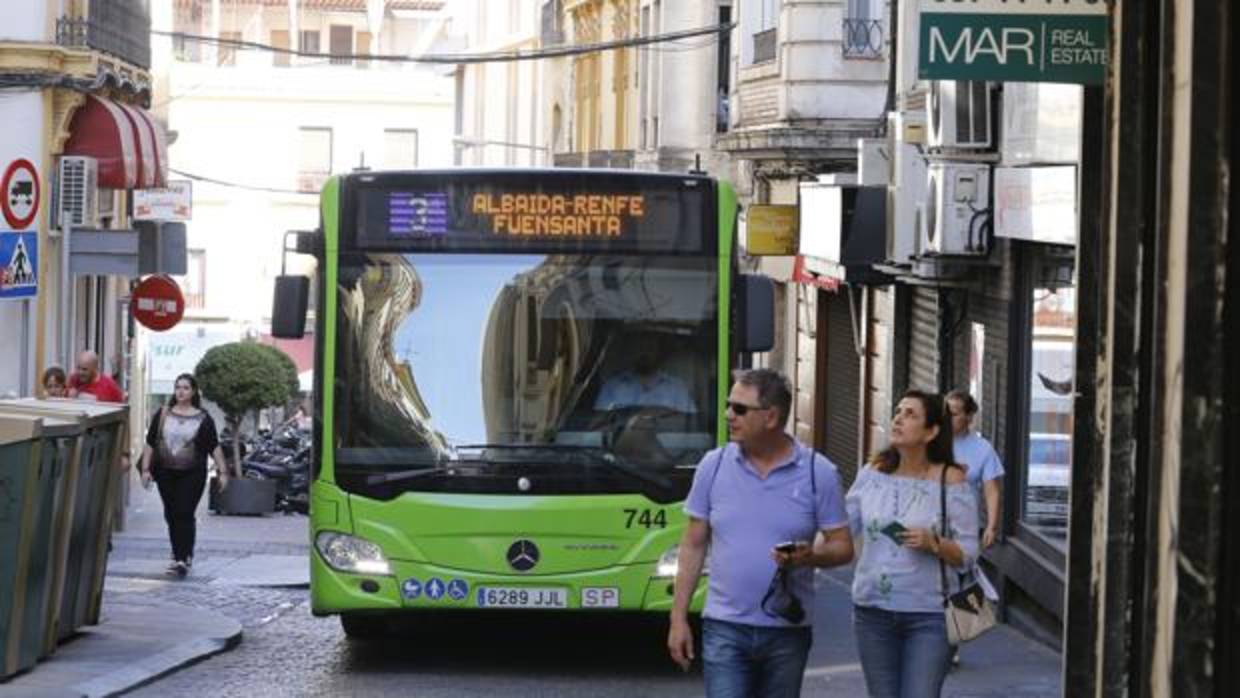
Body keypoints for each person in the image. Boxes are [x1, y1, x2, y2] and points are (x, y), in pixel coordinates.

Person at [667, 369, 853, 697]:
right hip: (725, 627)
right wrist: (678, 619)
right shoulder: (713, 465)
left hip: (787, 631)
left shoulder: (818, 473)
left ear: (771, 417)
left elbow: (843, 547)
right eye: (728, 405)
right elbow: (693, 545)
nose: (728, 415)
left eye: (739, 409)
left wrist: (811, 556)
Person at [846, 390, 979, 698]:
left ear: (931, 431)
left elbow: (969, 554)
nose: (898, 418)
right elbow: (840, 526)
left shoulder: (952, 481)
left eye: (910, 414)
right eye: (897, 411)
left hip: (930, 616)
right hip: (872, 612)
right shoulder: (872, 473)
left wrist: (935, 543)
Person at [138, 373, 231, 578]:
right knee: (171, 513)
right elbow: (151, 443)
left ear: (194, 391)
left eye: (186, 388)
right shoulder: (162, 414)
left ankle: (183, 557)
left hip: (193, 473)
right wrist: (145, 470)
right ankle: (179, 551)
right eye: (178, 387)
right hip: (165, 472)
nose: (181, 391)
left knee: (184, 512)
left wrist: (223, 472)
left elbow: (213, 446)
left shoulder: (203, 418)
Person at [946, 390, 1004, 549]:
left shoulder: (982, 449)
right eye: (945, 413)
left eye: (953, 414)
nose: (947, 418)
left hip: (964, 528)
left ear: (969, 417)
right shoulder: (930, 442)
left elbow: (992, 491)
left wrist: (991, 527)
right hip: (929, 523)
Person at [595, 348, 695, 414]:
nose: (645, 352)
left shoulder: (676, 387)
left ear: (658, 351)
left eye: (650, 346)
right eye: (640, 345)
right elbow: (597, 429)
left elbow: (692, 430)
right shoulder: (612, 387)